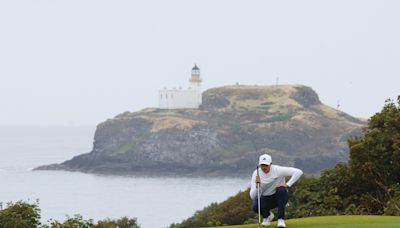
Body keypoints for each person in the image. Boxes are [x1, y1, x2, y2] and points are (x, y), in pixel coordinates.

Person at [249, 154, 303, 227]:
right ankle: (267, 217)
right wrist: (257, 186)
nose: (264, 167)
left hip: (279, 197)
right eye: (262, 165)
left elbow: (298, 172)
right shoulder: (256, 173)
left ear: (271, 164)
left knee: (281, 189)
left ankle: (281, 220)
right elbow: (253, 196)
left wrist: (287, 184)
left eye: (266, 165)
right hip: (266, 198)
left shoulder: (278, 170)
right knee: (255, 207)